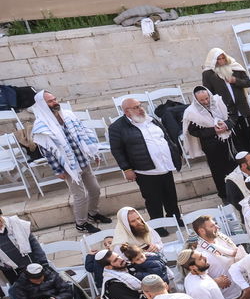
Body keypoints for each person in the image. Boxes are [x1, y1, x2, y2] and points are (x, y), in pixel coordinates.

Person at [28, 89, 106, 232]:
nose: (55, 102)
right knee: (80, 196)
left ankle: (93, 214)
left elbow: (83, 132)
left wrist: (94, 152)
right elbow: (48, 150)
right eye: (50, 101)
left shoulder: (68, 115)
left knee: (95, 189)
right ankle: (81, 224)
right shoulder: (41, 124)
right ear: (42, 104)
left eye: (55, 99)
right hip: (69, 167)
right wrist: (58, 170)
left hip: (83, 160)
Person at [108, 96, 184, 220]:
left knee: (170, 195)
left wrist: (175, 154)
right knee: (153, 199)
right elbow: (117, 150)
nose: (140, 109)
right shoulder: (117, 127)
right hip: (145, 170)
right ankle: (158, 225)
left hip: (165, 165)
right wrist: (126, 169)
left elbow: (166, 137)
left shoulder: (151, 120)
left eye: (140, 105)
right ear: (127, 111)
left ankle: (175, 218)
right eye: (136, 107)